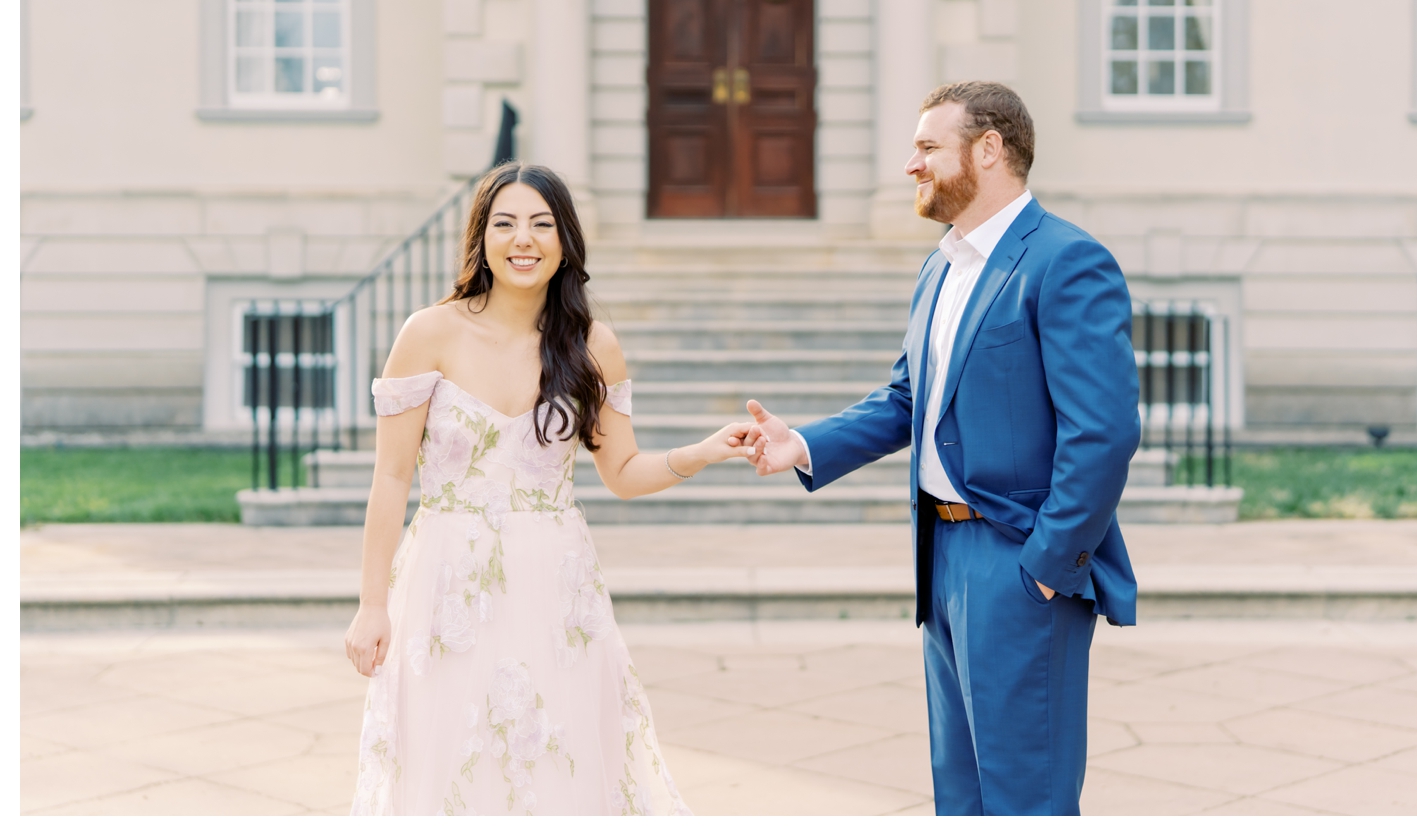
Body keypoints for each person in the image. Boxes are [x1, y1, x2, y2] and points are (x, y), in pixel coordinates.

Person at [738, 81, 1141, 816]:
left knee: (1028, 802)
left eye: (928, 147)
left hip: (1018, 562)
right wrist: (799, 443)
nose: (910, 165)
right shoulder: (942, 265)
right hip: (942, 558)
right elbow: (905, 403)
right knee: (960, 801)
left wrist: (1048, 566)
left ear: (988, 150)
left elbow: (1104, 433)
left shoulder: (1066, 262)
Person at [344, 162, 753, 816]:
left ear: (565, 241)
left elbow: (621, 472)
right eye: (504, 223)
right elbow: (391, 478)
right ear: (481, 239)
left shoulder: (593, 346)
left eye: (541, 223)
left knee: (559, 759)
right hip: (445, 583)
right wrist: (372, 605)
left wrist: (700, 454)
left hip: (555, 587)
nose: (523, 239)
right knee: (448, 756)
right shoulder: (429, 334)